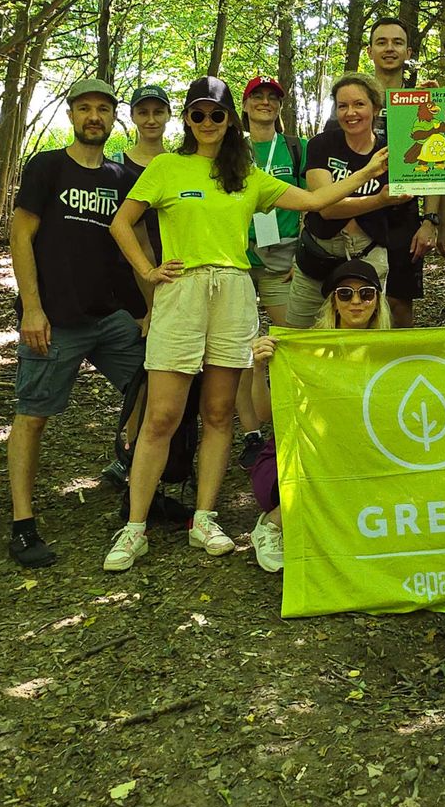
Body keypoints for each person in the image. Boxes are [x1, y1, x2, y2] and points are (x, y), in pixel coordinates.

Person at [102, 75, 389, 572]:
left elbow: (315, 202)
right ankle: (134, 526)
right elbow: (120, 223)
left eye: (217, 114)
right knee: (162, 417)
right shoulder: (168, 167)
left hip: (234, 291)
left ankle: (206, 517)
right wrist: (149, 272)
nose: (208, 122)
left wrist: (371, 167)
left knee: (219, 414)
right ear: (187, 120)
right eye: (198, 114)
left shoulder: (248, 174)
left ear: (229, 119)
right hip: (183, 292)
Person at [6, 77, 146, 568]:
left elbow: (134, 252)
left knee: (151, 389)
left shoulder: (120, 178)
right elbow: (20, 237)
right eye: (85, 108)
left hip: (110, 318)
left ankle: (138, 485)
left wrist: (145, 310)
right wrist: (32, 308)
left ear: (113, 119)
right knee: (34, 415)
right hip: (55, 320)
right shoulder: (47, 167)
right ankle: (23, 525)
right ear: (71, 114)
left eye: (104, 109)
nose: (94, 117)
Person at [245, 259, 392, 573]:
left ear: (377, 302)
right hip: (299, 460)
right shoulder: (308, 351)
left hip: (367, 458)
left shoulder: (393, 353)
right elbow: (264, 414)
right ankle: (273, 524)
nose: (356, 301)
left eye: (366, 294)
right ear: (334, 303)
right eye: (345, 294)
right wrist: (259, 370)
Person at [285, 72, 409, 328]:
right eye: (343, 106)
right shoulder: (321, 145)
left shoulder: (392, 151)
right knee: (299, 333)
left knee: (364, 335)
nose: (350, 112)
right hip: (319, 253)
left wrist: (427, 101)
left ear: (375, 108)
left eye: (359, 104)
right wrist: (380, 200)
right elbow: (325, 207)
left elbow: (430, 157)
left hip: (368, 252)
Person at [102, 84, 171, 489]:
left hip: (176, 274)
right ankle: (129, 454)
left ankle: (170, 457)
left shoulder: (181, 164)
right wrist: (146, 301)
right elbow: (130, 233)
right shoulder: (117, 169)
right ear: (132, 117)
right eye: (142, 112)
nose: (150, 119)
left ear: (167, 116)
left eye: (157, 112)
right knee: (141, 372)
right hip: (134, 281)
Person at [235, 75, 306, 465]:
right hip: (239, 258)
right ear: (244, 106)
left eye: (271, 98)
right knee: (242, 350)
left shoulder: (296, 148)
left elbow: (314, 201)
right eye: (256, 97)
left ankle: (292, 421)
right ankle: (251, 433)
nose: (264, 103)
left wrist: (304, 257)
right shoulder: (231, 151)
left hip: (284, 260)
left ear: (280, 107)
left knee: (288, 343)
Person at [364, 16, 440, 326]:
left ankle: (401, 370)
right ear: (370, 51)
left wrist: (430, 221)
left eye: (397, 42)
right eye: (381, 42)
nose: (389, 48)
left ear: (408, 52)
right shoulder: (354, 99)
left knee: (398, 302)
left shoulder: (420, 101)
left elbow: (437, 167)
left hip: (403, 215)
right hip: (361, 212)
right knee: (358, 298)